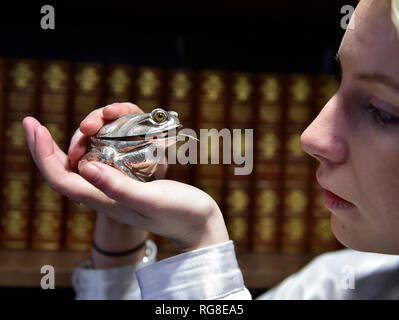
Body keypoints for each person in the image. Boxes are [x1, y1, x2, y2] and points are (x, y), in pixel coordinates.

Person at [22, 0, 399, 299]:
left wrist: (200, 238)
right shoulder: (339, 282)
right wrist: (124, 214)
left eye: (382, 111)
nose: (310, 137)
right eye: (339, 79)